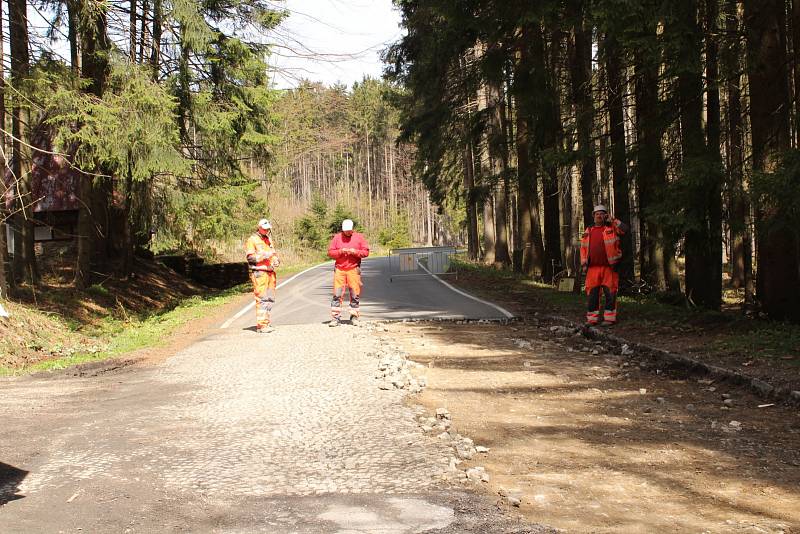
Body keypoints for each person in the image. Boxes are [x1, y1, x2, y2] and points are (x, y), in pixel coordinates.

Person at [580, 205, 629, 327]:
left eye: (602, 214)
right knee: (592, 294)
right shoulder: (588, 230)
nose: (599, 216)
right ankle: (592, 319)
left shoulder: (611, 228)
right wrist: (584, 264)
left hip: (609, 268)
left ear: (605, 215)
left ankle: (610, 318)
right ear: (593, 216)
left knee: (610, 293)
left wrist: (612, 219)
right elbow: (583, 249)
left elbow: (625, 229)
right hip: (592, 268)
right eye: (597, 214)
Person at [327, 219, 369, 327]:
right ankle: (335, 318)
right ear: (342, 229)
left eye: (349, 231)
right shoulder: (337, 238)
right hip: (340, 269)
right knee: (337, 294)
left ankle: (354, 316)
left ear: (352, 229)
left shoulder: (359, 237)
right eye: (345, 231)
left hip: (353, 269)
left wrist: (355, 252)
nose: (347, 233)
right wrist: (341, 251)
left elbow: (366, 252)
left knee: (355, 294)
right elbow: (330, 253)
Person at [245, 219, 280, 333]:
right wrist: (264, 256)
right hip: (259, 272)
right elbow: (250, 258)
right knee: (262, 298)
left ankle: (266, 322)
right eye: (264, 228)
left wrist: (276, 260)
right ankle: (262, 325)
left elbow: (273, 254)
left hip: (270, 272)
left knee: (270, 299)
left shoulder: (268, 239)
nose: (266, 230)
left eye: (268, 229)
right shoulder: (252, 240)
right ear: (259, 227)